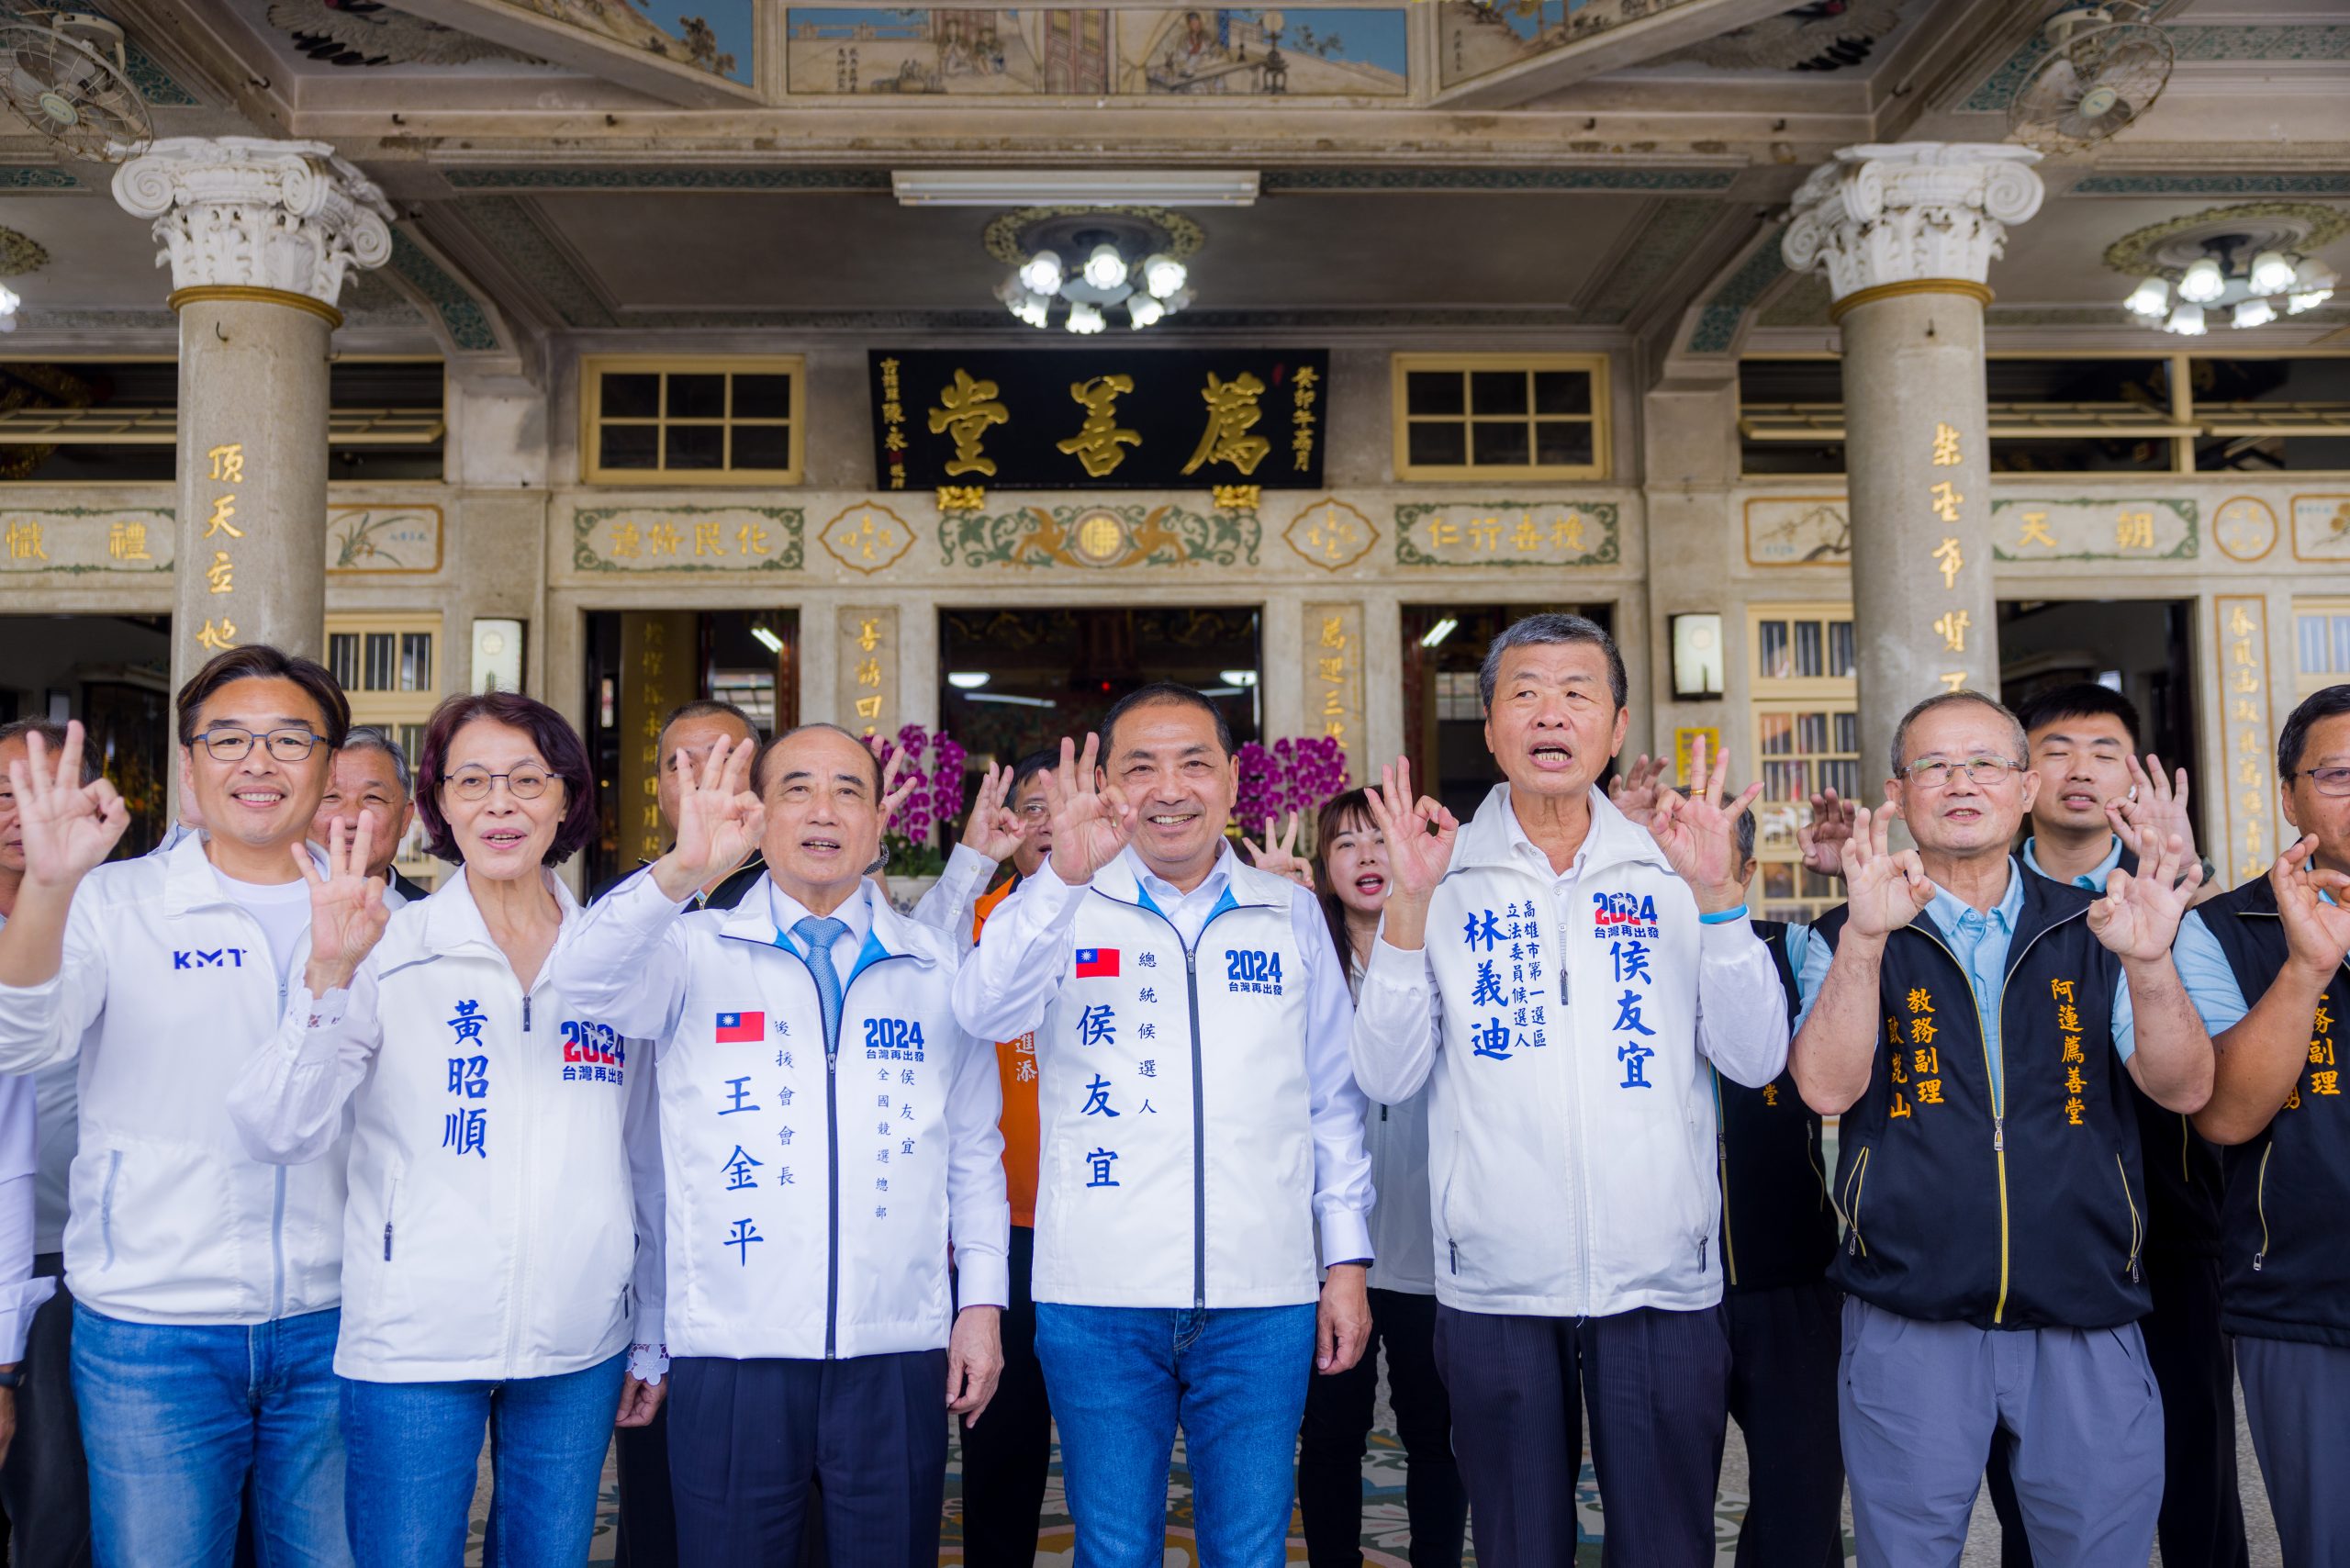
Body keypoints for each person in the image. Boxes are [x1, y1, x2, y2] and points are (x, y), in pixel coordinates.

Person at [1351, 612, 1785, 1568]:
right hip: (1494, 1279)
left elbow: (1755, 1060)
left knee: (1669, 1544)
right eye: (1525, 694)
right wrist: (1408, 912)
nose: (1551, 714)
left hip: (1663, 1278)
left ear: (1618, 724)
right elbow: (1385, 1075)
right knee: (1516, 1544)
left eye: (1577, 693)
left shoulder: (1675, 865)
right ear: (1491, 726)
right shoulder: (1441, 870)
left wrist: (1720, 904)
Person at [227, 691, 667, 1567]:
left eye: (526, 780)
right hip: (413, 1338)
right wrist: (330, 975)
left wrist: (648, 1319)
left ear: (568, 798)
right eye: (471, 781)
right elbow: (278, 1128)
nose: (499, 804)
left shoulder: (616, 962)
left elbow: (645, 1156)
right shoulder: (384, 944)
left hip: (579, 1338)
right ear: (439, 805)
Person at [553, 724, 1009, 1568]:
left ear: (881, 824)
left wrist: (979, 1304)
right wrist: (684, 870)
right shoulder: (692, 950)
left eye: (849, 791)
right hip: (732, 1348)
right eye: (796, 789)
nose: (824, 811)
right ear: (758, 816)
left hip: (895, 1344)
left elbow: (974, 1152)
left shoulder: (937, 967)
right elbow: (582, 981)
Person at [953, 685, 1375, 1568]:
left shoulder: (1290, 914)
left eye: (1195, 764)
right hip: (1097, 1297)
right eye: (1141, 766)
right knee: (1112, 1546)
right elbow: (986, 1011)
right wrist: (1061, 879)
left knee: (1251, 1546)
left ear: (1232, 782)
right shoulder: (1061, 903)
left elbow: (1333, 1107)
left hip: (1263, 1294)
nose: (1169, 788)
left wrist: (1344, 1264)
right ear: (1104, 783)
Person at [1789, 689, 2211, 1568]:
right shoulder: (1843, 931)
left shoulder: (2099, 924)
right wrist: (1866, 941)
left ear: (2025, 791)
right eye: (1934, 766)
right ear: (1898, 795)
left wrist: (2149, 962)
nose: (1961, 782)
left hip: (2086, 1312)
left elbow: (2182, 1087)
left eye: (1986, 763)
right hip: (1907, 1313)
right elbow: (1826, 1090)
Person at [0, 645, 358, 1568]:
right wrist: (46, 888)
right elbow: (20, 1043)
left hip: (338, 1324)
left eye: (289, 739)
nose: (258, 761)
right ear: (190, 762)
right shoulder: (116, 903)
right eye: (228, 738)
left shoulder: (378, 916)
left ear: (328, 764)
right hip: (150, 1327)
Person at [1995, 683, 2244, 1568]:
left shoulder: (2181, 898)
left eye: (2105, 751)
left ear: (2136, 775)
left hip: (2173, 1229)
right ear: (2022, 776)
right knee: (2037, 1480)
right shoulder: (1983, 902)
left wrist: (2186, 893)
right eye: (2055, 749)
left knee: (2196, 1464)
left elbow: (2226, 1068)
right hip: (2032, 1238)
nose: (2080, 770)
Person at [1614, 760, 1844, 1568]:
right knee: (1655, 1510)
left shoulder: (1794, 948)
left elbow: (1856, 1026)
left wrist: (1854, 874)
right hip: (1658, 1283)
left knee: (1801, 1499)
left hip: (1790, 1278)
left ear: (1743, 869)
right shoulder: (1616, 973)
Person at [2176, 683, 2350, 1565]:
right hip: (2308, 1302)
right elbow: (2227, 1116)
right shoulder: (2222, 931)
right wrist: (2306, 969)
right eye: (2340, 774)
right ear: (2288, 794)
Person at [1292, 788, 1463, 1568]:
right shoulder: (1303, 964)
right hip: (1332, 1250)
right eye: (1345, 845)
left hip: (1432, 1241)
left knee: (1435, 1433)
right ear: (1324, 870)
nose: (1365, 858)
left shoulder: (1450, 950)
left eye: (1376, 841)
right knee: (1331, 1430)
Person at [944, 749, 1063, 1568]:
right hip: (1004, 1233)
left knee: (1117, 1454)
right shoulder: (975, 919)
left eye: (1071, 802)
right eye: (1033, 807)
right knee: (1001, 1448)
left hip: (1106, 1227)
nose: (1052, 823)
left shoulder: (1136, 918)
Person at [0, 721, 73, 1565]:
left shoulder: (120, 913)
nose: (30, 813)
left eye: (50, 790)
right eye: (10, 794)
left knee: (57, 1503)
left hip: (70, 1260)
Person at [313, 725, 427, 908]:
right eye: (331, 797)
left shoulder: (429, 917)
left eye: (373, 798)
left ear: (405, 818)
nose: (350, 819)